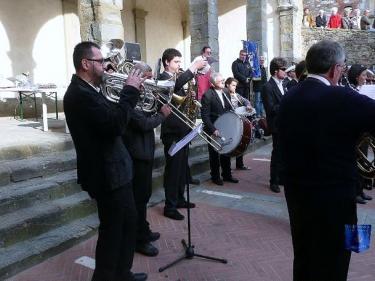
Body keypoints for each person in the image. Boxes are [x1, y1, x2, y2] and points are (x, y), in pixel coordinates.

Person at [279, 40, 375, 281]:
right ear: (336, 69)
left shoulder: (289, 98)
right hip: (336, 199)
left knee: (304, 256)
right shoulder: (342, 97)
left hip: (297, 195)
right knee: (335, 262)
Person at [63, 41, 147, 281]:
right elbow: (115, 125)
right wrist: (130, 90)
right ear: (85, 63)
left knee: (128, 225)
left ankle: (123, 273)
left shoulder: (90, 89)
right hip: (106, 175)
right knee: (112, 233)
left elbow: (111, 115)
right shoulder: (79, 94)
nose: (106, 65)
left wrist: (125, 95)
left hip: (118, 172)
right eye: (100, 61)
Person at [122, 63, 172, 257]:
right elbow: (143, 124)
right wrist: (162, 114)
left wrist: (156, 103)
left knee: (144, 196)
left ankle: (143, 230)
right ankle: (137, 240)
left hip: (145, 151)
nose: (151, 83)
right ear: (137, 77)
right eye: (148, 79)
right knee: (138, 200)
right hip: (136, 154)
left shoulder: (142, 96)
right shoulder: (126, 96)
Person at [159, 48, 207, 220]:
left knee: (181, 169)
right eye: (176, 62)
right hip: (172, 132)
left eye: (180, 62)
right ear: (166, 62)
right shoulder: (162, 79)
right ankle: (169, 206)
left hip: (183, 130)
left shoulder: (174, 78)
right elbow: (174, 87)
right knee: (173, 171)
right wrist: (193, 67)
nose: (179, 65)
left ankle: (179, 198)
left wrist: (190, 97)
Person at [201, 72, 239, 186]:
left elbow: (228, 110)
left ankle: (227, 175)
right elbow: (205, 116)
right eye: (220, 81)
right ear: (213, 84)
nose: (223, 82)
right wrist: (213, 129)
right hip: (213, 128)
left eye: (223, 80)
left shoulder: (226, 93)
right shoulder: (207, 95)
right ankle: (215, 176)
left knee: (226, 151)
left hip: (225, 127)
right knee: (214, 154)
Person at [346, 64, 373, 204]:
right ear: (356, 76)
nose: (366, 78)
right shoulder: (349, 90)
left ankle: (360, 190)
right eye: (363, 75)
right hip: (354, 133)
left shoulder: (361, 89)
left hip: (364, 132)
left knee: (363, 162)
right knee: (354, 164)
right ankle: (354, 192)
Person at [261, 57, 288, 193]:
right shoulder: (267, 86)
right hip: (276, 125)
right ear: (276, 71)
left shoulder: (283, 84)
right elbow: (270, 108)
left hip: (285, 124)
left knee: (284, 153)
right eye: (283, 69)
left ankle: (281, 177)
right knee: (277, 153)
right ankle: (273, 181)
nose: (286, 72)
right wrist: (288, 103)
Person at [225, 77, 254, 171]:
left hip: (237, 120)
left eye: (235, 86)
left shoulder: (236, 95)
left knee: (240, 141)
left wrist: (248, 105)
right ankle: (227, 169)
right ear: (227, 85)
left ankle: (240, 164)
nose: (235, 88)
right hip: (228, 121)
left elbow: (245, 100)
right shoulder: (224, 94)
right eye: (233, 85)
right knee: (230, 144)